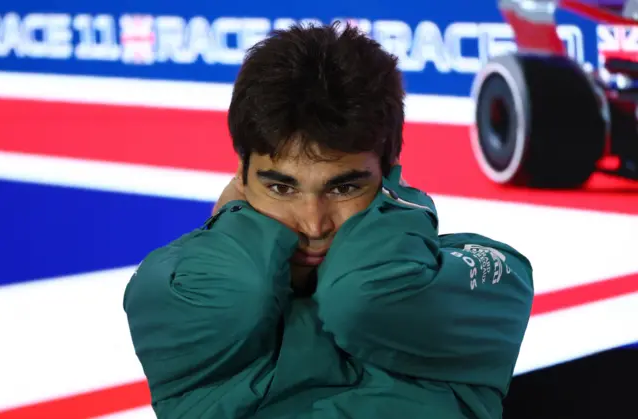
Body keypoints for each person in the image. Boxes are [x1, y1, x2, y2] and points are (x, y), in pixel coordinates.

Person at [123, 22, 534, 419]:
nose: (314, 224)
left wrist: (395, 204)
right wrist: (237, 216)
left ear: (389, 174)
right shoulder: (171, 289)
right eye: (282, 188)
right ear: (241, 178)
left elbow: (365, 298)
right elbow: (237, 296)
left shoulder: (497, 280)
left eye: (343, 188)